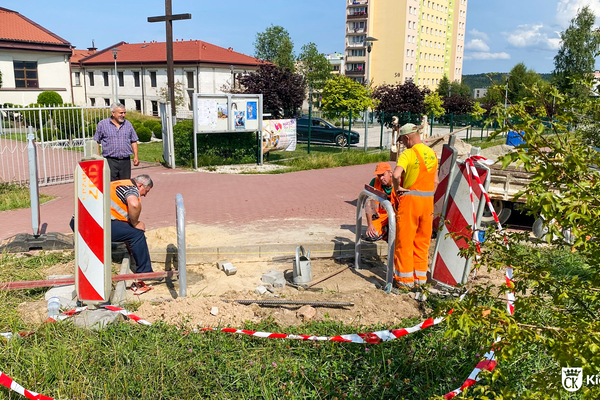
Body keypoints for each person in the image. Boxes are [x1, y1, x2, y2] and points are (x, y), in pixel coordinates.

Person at [392, 123, 439, 290]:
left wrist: (398, 188)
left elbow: (396, 174)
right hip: (427, 204)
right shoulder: (432, 154)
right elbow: (435, 181)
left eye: (403, 141)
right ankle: (420, 279)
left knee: (404, 242)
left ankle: (404, 282)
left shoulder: (408, 153)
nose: (403, 144)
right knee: (422, 242)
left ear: (407, 137)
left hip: (410, 202)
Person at [111, 174, 154, 294]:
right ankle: (145, 273)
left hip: (84, 221)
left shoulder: (119, 184)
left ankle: (137, 260)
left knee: (129, 231)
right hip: (94, 224)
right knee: (137, 234)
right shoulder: (131, 189)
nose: (145, 195)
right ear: (140, 185)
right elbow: (134, 204)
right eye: (146, 191)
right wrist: (135, 223)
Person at [94, 103, 139, 181]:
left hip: (125, 161)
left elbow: (133, 140)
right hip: (110, 161)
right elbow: (96, 140)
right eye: (121, 113)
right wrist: (98, 156)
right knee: (111, 185)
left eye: (124, 113)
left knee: (125, 185)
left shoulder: (128, 124)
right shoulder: (103, 124)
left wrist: (136, 156)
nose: (123, 115)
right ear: (113, 113)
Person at [363, 162, 396, 242]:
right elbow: (368, 204)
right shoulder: (374, 182)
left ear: (390, 173)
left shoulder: (399, 182)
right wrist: (370, 224)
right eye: (379, 175)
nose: (381, 178)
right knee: (371, 235)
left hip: (396, 215)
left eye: (383, 175)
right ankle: (384, 231)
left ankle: (389, 229)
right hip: (381, 215)